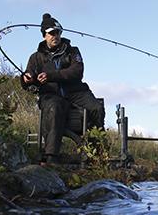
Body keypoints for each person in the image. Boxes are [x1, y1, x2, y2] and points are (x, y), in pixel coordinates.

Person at [21, 13, 104, 163]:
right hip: (51, 95)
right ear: (44, 35)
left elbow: (77, 72)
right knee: (53, 108)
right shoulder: (35, 57)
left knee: (96, 108)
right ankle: (52, 156)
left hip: (77, 92)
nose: (55, 36)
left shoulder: (73, 51)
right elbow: (28, 81)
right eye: (52, 33)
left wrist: (51, 75)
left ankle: (98, 152)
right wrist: (26, 79)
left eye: (58, 32)